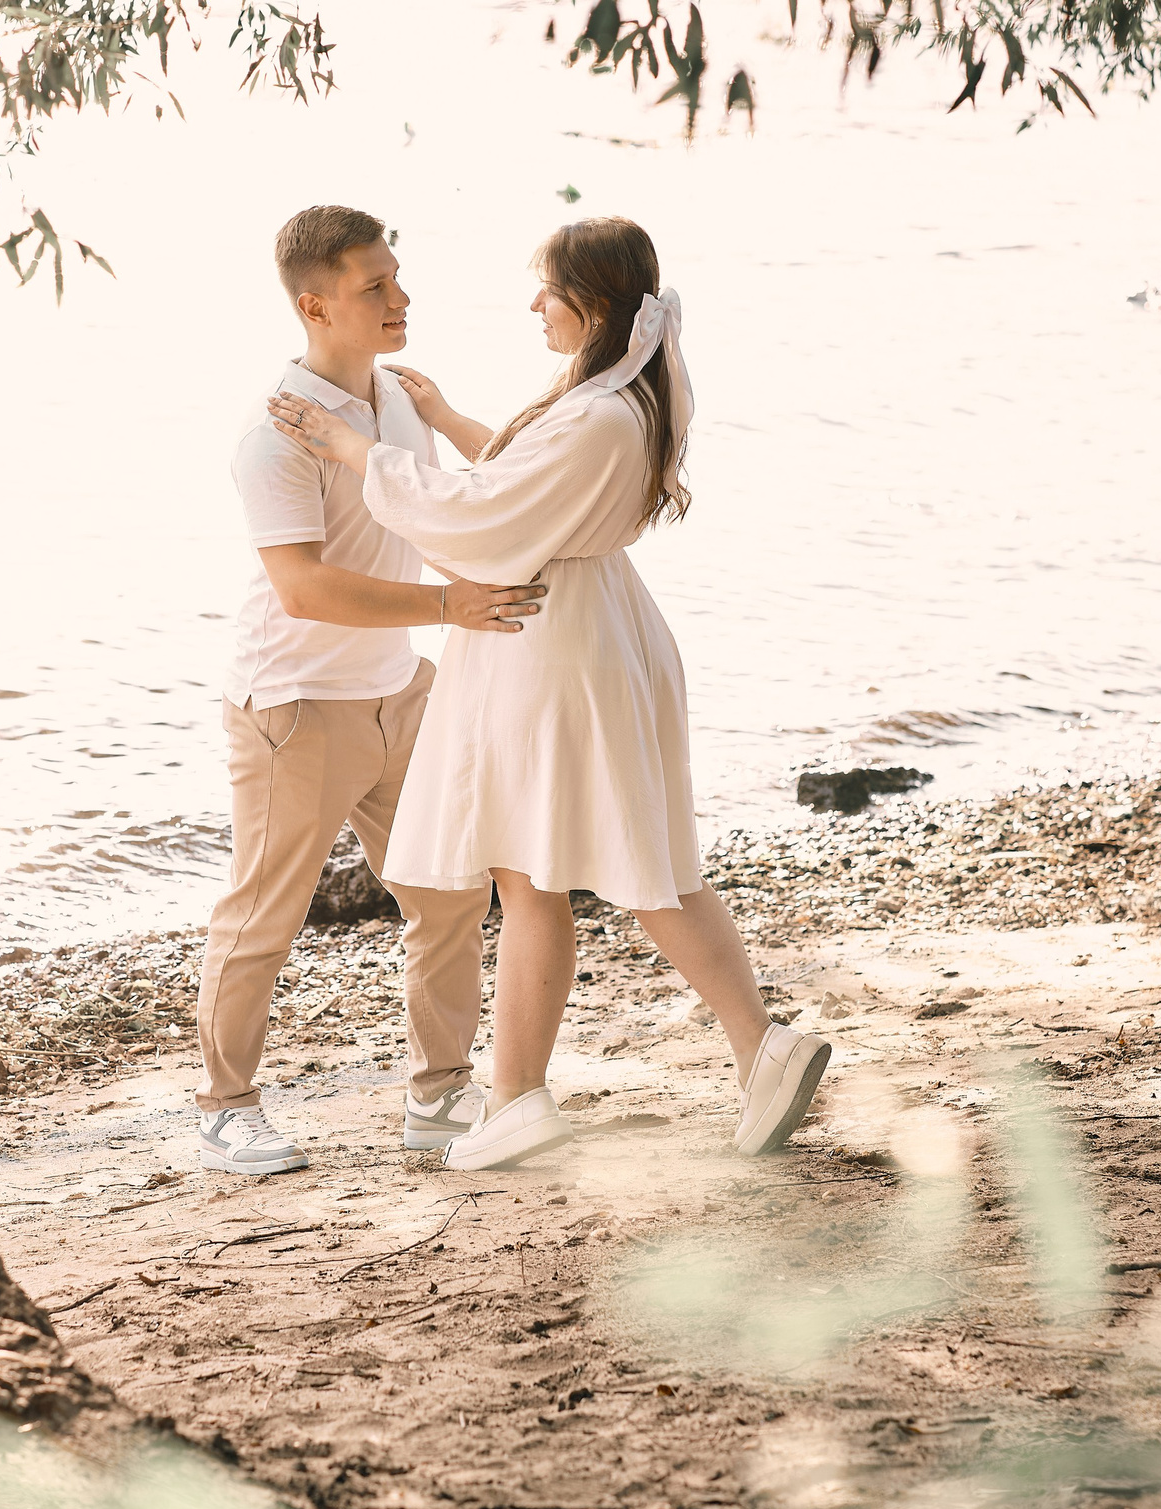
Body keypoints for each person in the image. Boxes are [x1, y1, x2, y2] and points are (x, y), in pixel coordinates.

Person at [265, 215, 831, 1172]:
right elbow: (534, 485)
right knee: (550, 869)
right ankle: (524, 1093)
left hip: (551, 637)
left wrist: (353, 449)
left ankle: (746, 1046)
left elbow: (486, 516)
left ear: (595, 305)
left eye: (547, 290)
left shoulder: (603, 411)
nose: (533, 304)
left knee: (606, 863)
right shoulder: (624, 393)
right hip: (589, 622)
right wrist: (444, 421)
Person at [195, 205, 554, 1176]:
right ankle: (226, 1108)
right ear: (315, 307)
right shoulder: (274, 437)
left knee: (447, 894)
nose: (401, 299)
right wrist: (452, 602)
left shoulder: (396, 398)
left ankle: (439, 1097)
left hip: (401, 691)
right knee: (265, 913)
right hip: (295, 703)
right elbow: (302, 587)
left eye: (396, 279)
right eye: (374, 289)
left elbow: (431, 509)